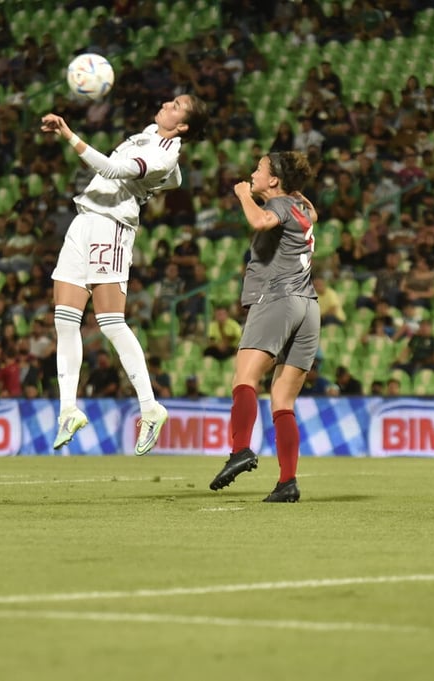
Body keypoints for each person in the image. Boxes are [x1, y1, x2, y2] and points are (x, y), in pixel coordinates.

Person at [39, 94, 209, 455]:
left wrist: (70, 135)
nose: (166, 102)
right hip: (84, 220)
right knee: (65, 321)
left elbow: (113, 170)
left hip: (112, 225)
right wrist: (164, 179)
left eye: (176, 105)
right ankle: (68, 410)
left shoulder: (164, 153)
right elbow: (175, 181)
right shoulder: (151, 135)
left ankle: (150, 407)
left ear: (182, 126)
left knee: (111, 322)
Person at [208, 150, 318, 503]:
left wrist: (244, 195)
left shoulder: (282, 206)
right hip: (308, 307)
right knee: (283, 400)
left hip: (277, 299)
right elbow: (309, 209)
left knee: (245, 378)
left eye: (259, 169)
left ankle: (241, 449)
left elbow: (260, 222)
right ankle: (288, 481)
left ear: (274, 180)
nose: (252, 173)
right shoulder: (302, 209)